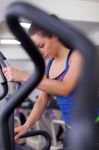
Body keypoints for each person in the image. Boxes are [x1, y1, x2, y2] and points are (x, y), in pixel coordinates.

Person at [2, 15, 84, 147]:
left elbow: (65, 88)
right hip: (71, 128)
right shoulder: (48, 65)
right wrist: (26, 125)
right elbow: (42, 100)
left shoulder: (76, 56)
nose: (40, 52)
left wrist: (25, 76)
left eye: (41, 45)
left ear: (55, 36)